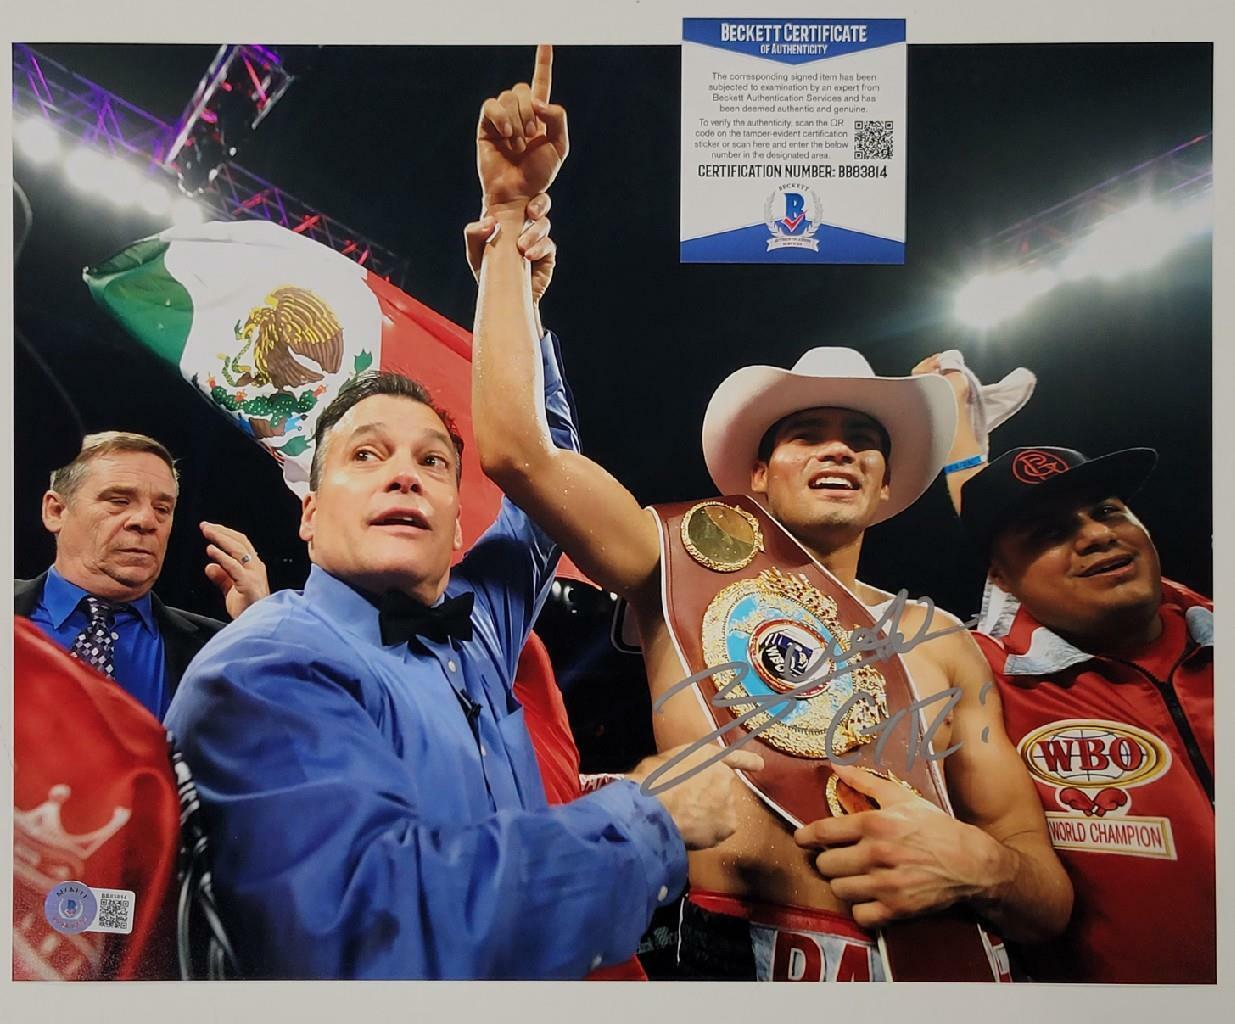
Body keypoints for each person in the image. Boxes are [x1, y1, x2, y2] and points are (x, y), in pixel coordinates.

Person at [470, 46, 1070, 982]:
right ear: (753, 475)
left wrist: (983, 866)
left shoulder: (940, 640)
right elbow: (515, 448)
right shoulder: (672, 557)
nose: (838, 448)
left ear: (885, 482)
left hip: (931, 970)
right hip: (715, 953)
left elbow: (1044, 895)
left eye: (861, 437)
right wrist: (510, 217)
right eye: (807, 432)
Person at [164, 53, 761, 981]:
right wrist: (653, 818)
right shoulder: (260, 668)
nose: (404, 473)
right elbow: (373, 933)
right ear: (309, 518)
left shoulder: (477, 628)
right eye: (366, 454)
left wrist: (512, 250)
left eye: (433, 461)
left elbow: (540, 457)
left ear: (455, 519)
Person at [915, 353, 1214, 983]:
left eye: (1107, 511)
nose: (1096, 536)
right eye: (1050, 532)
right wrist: (955, 446)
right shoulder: (986, 682)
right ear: (999, 577)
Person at [15, 430, 271, 720]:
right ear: (56, 510)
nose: (147, 521)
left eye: (162, 508)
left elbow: (286, 746)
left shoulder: (220, 647)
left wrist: (260, 625)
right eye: (119, 501)